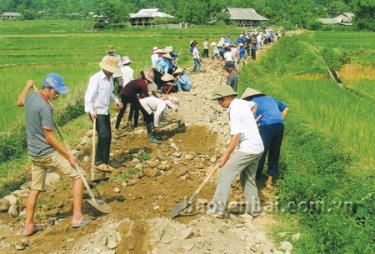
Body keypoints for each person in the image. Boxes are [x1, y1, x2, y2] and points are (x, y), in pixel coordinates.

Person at [16, 73, 87, 236]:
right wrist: (68, 155)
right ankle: (77, 217)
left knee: (35, 188)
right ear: (47, 88)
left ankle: (28, 226)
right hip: (46, 153)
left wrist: (27, 86)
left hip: (34, 153)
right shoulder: (45, 107)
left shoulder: (32, 96)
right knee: (78, 176)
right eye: (56, 91)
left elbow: (20, 102)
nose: (58, 94)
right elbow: (49, 138)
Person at [208, 85, 264, 218]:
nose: (220, 103)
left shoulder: (233, 110)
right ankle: (254, 210)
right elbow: (254, 105)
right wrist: (251, 121)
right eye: (218, 100)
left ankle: (217, 209)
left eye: (221, 99)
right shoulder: (241, 102)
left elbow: (236, 136)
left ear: (229, 97)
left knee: (225, 173)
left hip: (249, 148)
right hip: (258, 147)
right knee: (248, 177)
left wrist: (225, 157)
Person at [241, 88, 289, 189]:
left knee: (260, 152)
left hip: (267, 126)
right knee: (274, 153)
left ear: (248, 97)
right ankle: (269, 182)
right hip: (279, 126)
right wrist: (280, 119)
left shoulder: (253, 102)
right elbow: (286, 108)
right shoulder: (271, 98)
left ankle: (255, 178)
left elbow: (251, 121)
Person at [84, 56, 123, 173]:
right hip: (97, 111)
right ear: (105, 68)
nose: (112, 72)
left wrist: (116, 100)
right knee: (104, 135)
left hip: (105, 110)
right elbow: (88, 96)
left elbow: (109, 92)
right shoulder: (96, 78)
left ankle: (104, 161)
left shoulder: (110, 79)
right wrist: (91, 111)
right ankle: (99, 162)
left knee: (107, 136)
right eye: (111, 70)